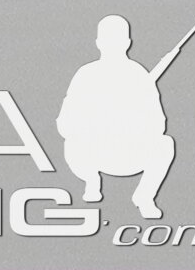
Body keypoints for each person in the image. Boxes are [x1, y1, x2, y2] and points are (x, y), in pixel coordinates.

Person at [57, 15, 178, 220]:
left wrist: (130, 123)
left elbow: (158, 124)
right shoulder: (86, 74)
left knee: (165, 144)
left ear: (127, 43)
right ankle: (91, 181)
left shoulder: (139, 75)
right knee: (71, 142)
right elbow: (65, 122)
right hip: (92, 154)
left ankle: (144, 197)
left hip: (130, 153)